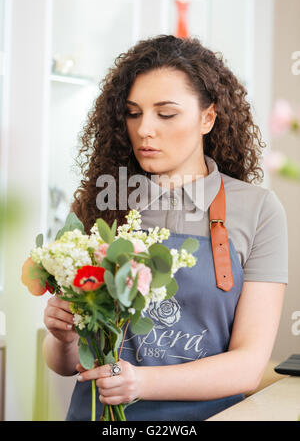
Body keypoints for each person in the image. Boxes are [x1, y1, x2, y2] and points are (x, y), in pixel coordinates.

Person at [42, 35, 288, 421]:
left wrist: (141, 382)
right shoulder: (101, 202)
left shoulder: (257, 210)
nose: (144, 130)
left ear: (208, 117)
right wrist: (63, 336)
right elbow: (67, 364)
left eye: (166, 114)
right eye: (133, 112)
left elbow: (248, 365)